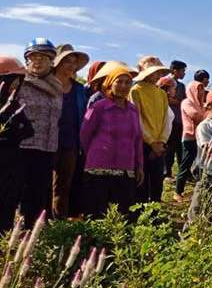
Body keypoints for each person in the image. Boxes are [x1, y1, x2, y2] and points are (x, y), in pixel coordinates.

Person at [79, 62, 143, 219]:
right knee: (96, 212)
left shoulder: (133, 110)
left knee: (122, 214)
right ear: (110, 84)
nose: (123, 86)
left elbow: (137, 139)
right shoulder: (99, 107)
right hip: (98, 169)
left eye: (127, 82)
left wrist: (139, 165)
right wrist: (97, 153)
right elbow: (84, 135)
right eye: (119, 82)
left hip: (125, 169)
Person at [17, 38, 64, 228]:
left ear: (52, 61)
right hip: (22, 147)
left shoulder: (57, 87)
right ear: (27, 60)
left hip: (47, 148)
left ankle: (31, 234)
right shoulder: (20, 83)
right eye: (33, 57)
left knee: (38, 193)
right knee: (17, 193)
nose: (38, 61)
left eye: (43, 57)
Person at [50, 44, 89, 220]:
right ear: (57, 63)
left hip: (70, 142)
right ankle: (37, 221)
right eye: (67, 61)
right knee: (42, 183)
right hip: (46, 141)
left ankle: (59, 222)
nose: (71, 65)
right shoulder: (46, 84)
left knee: (64, 185)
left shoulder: (79, 90)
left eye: (74, 62)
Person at [130, 56, 173, 204]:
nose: (158, 76)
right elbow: (137, 120)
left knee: (157, 182)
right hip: (142, 144)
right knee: (141, 182)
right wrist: (151, 142)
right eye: (155, 72)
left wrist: (161, 141)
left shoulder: (161, 94)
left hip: (159, 145)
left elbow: (166, 120)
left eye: (160, 73)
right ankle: (140, 216)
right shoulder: (136, 91)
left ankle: (154, 215)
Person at [0, 56, 34, 232]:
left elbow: (28, 130)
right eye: (15, 80)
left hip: (11, 165)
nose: (17, 85)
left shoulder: (13, 106)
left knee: (7, 209)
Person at [176, 77, 206, 201]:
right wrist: (208, 115)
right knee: (186, 164)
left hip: (200, 138)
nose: (201, 93)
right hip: (190, 137)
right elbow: (196, 116)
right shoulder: (187, 102)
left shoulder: (202, 105)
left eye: (202, 90)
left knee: (200, 164)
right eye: (198, 90)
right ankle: (178, 191)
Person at [165, 60, 188, 178]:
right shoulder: (165, 82)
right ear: (175, 71)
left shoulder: (181, 86)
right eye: (183, 71)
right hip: (168, 120)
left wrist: (176, 102)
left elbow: (184, 101)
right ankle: (167, 172)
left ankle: (181, 172)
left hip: (179, 119)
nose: (184, 73)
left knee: (178, 147)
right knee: (169, 147)